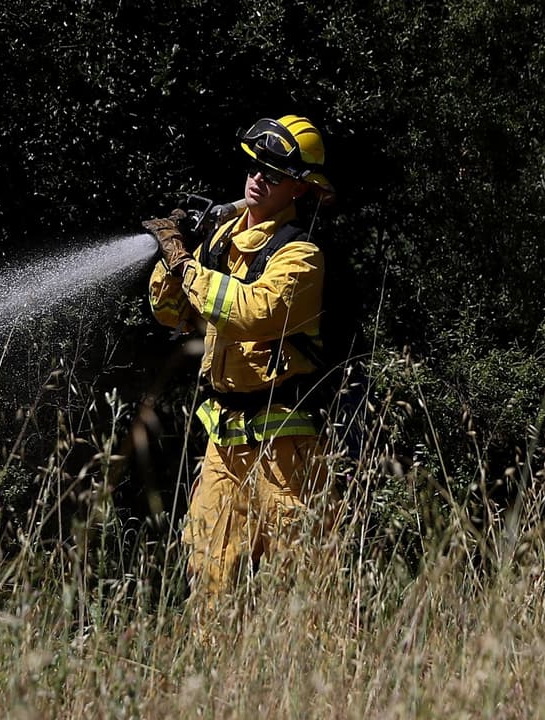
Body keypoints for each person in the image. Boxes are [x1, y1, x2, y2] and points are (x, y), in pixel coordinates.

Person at [143, 115, 337, 602]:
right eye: (253, 166)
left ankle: (319, 675)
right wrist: (174, 259)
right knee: (209, 571)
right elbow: (171, 315)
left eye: (272, 174)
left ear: (298, 187)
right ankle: (213, 674)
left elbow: (245, 312)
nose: (257, 179)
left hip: (284, 448)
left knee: (302, 578)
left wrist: (185, 263)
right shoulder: (220, 240)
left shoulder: (301, 257)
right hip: (223, 441)